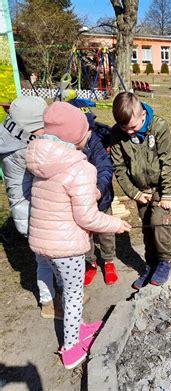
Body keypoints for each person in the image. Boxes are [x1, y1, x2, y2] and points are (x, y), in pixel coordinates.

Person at [26, 102, 131, 369]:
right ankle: (71, 349)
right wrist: (115, 224)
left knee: (65, 288)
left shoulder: (40, 161)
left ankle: (79, 328)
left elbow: (35, 197)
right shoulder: (81, 169)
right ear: (78, 136)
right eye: (86, 130)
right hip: (66, 247)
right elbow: (87, 217)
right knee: (73, 296)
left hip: (41, 243)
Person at [0, 96, 64, 319]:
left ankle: (56, 295)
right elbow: (52, 167)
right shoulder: (23, 152)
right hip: (32, 214)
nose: (44, 132)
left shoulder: (13, 137)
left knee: (46, 259)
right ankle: (51, 301)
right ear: (27, 127)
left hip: (28, 211)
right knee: (51, 259)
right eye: (41, 128)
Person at [110, 92, 171, 289]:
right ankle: (151, 265)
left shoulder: (159, 127)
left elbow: (169, 162)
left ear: (142, 116)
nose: (129, 132)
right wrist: (135, 193)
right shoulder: (117, 134)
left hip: (160, 187)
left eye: (133, 127)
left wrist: (166, 194)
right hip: (141, 190)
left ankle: (165, 261)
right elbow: (120, 169)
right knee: (147, 226)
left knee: (158, 223)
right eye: (124, 128)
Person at [68, 98, 120, 286]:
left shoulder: (95, 141)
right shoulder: (64, 147)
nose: (89, 132)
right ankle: (90, 262)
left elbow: (105, 167)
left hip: (101, 197)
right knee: (85, 232)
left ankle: (108, 261)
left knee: (106, 231)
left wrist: (99, 189)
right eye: (85, 128)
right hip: (79, 202)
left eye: (91, 128)